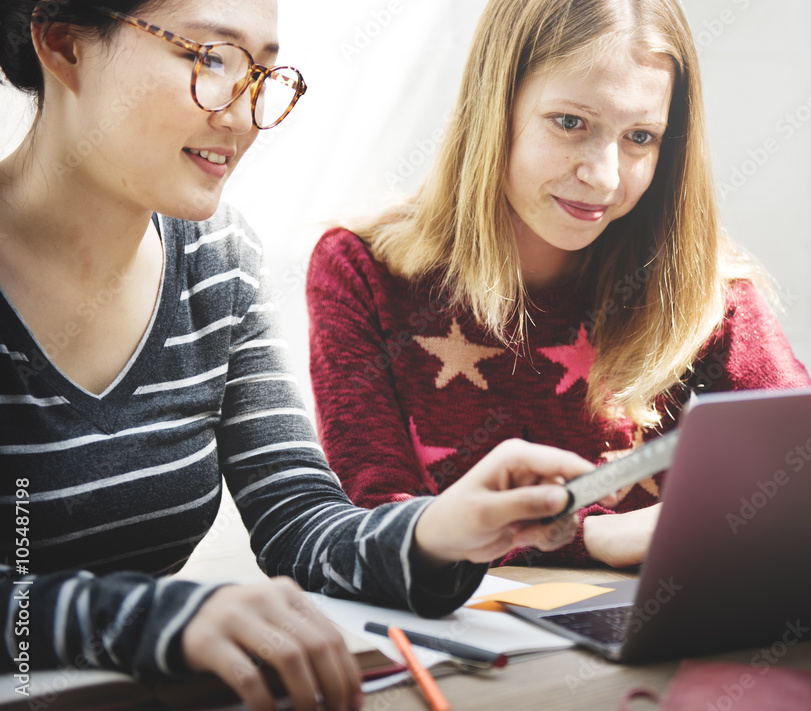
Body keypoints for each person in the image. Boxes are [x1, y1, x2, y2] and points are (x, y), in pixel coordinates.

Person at [0, 2, 596, 710]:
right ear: (64, 46)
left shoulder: (216, 261)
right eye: (210, 59)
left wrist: (441, 530)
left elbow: (298, 519)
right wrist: (155, 618)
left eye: (259, 71)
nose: (246, 115)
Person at [307, 0, 811, 572]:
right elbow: (379, 532)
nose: (603, 175)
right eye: (571, 123)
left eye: (640, 137)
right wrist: (594, 538)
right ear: (495, 106)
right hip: (479, 641)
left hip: (661, 629)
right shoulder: (363, 272)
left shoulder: (700, 289)